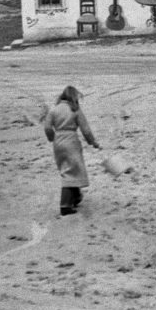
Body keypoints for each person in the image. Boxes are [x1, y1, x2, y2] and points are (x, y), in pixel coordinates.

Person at [43, 86, 101, 216]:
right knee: (72, 170)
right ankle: (65, 205)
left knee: (67, 168)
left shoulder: (54, 109)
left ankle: (75, 197)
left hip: (58, 141)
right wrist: (93, 142)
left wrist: (52, 137)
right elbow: (85, 130)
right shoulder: (75, 109)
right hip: (71, 140)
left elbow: (47, 127)